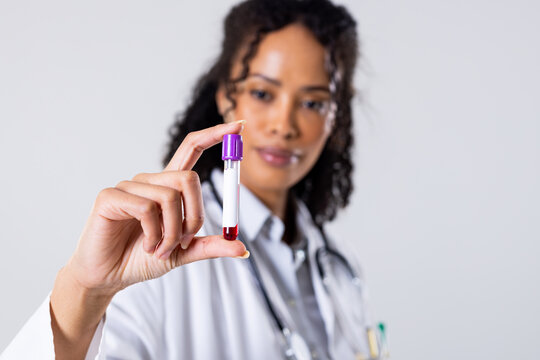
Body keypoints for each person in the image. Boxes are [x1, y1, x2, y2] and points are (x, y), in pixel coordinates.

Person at [2, 0, 381, 359]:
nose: (284, 125)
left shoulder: (340, 265)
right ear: (225, 97)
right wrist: (85, 289)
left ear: (337, 115)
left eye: (313, 103)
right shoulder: (161, 245)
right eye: (263, 93)